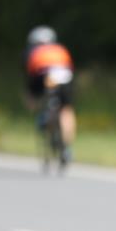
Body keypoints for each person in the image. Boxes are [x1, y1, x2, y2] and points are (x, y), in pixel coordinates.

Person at [24, 25, 76, 164]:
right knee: (66, 109)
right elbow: (70, 68)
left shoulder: (34, 52)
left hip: (43, 76)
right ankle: (66, 147)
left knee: (39, 97)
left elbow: (31, 77)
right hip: (65, 77)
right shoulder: (61, 49)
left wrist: (31, 99)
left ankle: (45, 118)